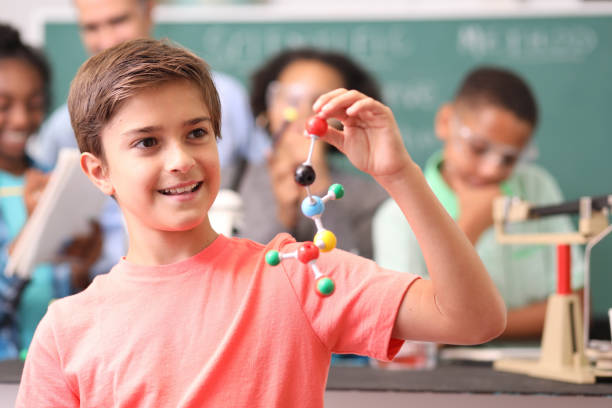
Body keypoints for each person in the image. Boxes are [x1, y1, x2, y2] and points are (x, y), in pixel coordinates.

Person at [16, 39, 505, 406]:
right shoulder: (67, 331)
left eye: (197, 133)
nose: (181, 159)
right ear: (98, 171)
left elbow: (473, 317)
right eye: (147, 142)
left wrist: (399, 175)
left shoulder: (300, 273)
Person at [373, 66, 583, 340]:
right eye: (479, 149)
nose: (491, 170)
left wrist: (468, 328)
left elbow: (575, 303)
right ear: (445, 122)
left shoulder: (536, 188)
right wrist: (469, 228)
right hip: (441, 375)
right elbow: (410, 332)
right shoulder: (396, 217)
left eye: (509, 158)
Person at [27, 0, 267, 173]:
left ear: (149, 9)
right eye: (91, 27)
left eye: (196, 133)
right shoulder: (63, 128)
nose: (107, 40)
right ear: (97, 170)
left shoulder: (226, 98)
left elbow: (265, 177)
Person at [0, 24, 103, 359]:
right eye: (4, 105)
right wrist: (33, 231)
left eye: (34, 103)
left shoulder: (53, 180)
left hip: (55, 368)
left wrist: (82, 268)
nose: (21, 120)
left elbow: (73, 307)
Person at [237, 48, 387, 259]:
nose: (304, 113)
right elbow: (245, 272)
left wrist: (320, 187)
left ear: (343, 120)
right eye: (290, 99)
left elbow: (352, 275)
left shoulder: (371, 199)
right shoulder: (233, 179)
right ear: (266, 108)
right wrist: (284, 218)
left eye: (321, 104)